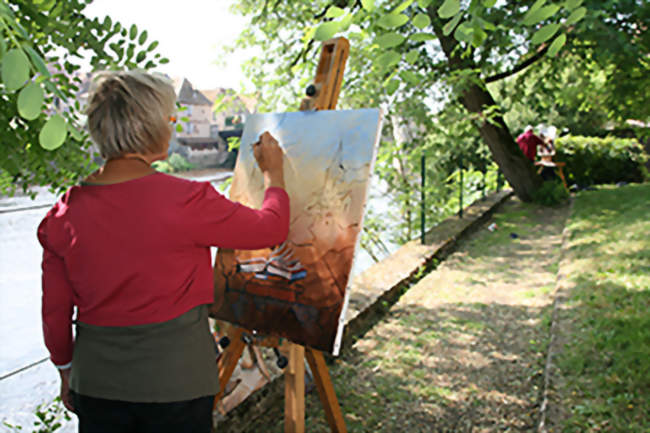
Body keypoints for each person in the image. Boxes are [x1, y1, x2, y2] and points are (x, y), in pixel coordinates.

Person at [37, 70, 289, 433]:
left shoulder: (62, 215)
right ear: (150, 126)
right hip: (177, 382)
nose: (172, 127)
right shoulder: (187, 201)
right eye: (170, 118)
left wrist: (65, 370)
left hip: (96, 385)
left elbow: (55, 314)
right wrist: (273, 175)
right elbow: (272, 229)